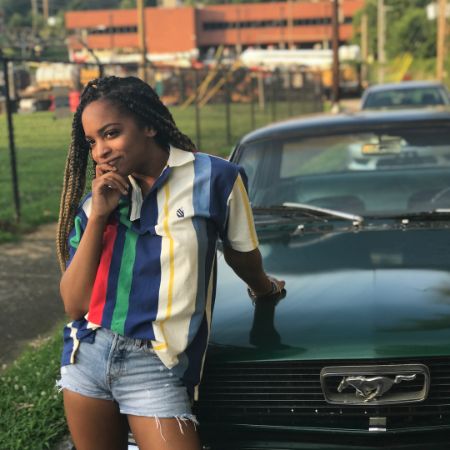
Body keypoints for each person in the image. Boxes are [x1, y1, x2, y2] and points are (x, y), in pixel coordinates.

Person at [56, 75, 285, 450]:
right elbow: (74, 304)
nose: (100, 152)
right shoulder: (97, 201)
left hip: (156, 363)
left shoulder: (216, 179)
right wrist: (99, 215)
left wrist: (264, 287)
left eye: (111, 133)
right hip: (89, 354)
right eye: (92, 142)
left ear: (149, 125)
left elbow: (240, 252)